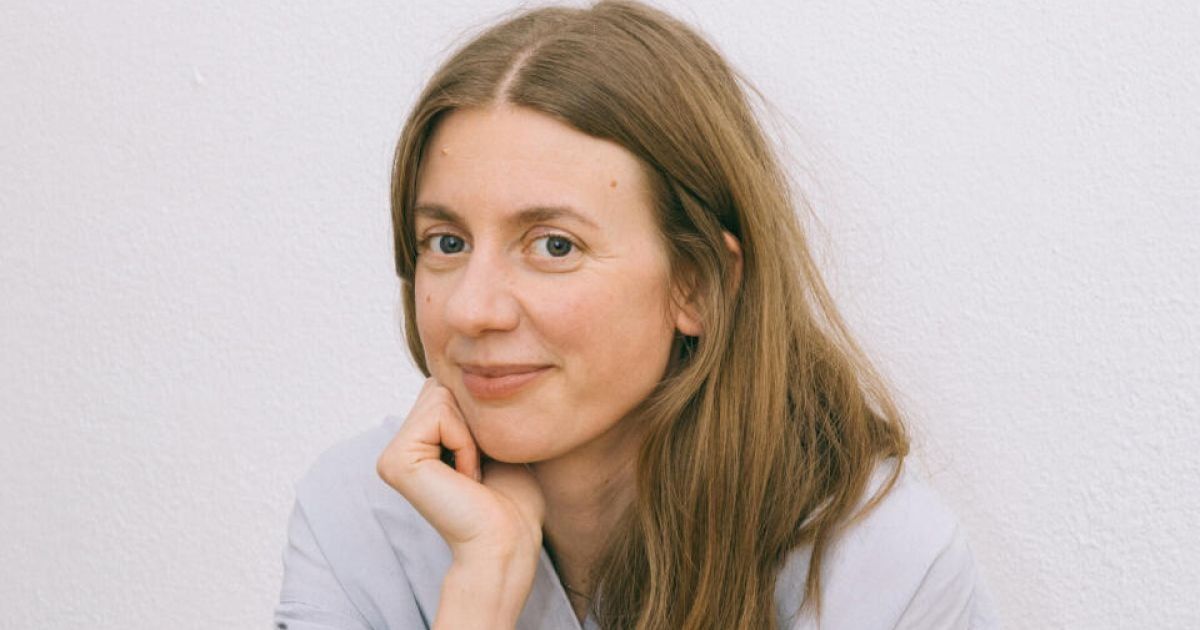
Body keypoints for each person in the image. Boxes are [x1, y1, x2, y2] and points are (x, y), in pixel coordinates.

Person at [274, 1, 998, 628]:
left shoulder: (878, 562)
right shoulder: (357, 516)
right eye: (446, 242)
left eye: (554, 245)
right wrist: (482, 589)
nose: (471, 307)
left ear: (699, 287)